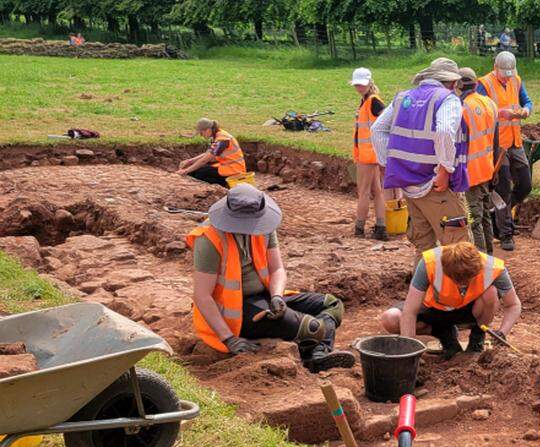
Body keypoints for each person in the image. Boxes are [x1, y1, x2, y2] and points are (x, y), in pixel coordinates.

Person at [187, 184, 356, 373]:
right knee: (312, 328)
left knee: (332, 304)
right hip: (235, 313)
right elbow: (202, 296)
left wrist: (277, 296)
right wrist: (229, 339)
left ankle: (318, 355)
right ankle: (313, 347)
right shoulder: (209, 239)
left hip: (266, 298)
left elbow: (277, 269)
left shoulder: (264, 227)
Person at [370, 57, 471, 257]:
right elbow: (443, 132)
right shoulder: (448, 99)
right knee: (457, 250)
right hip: (435, 185)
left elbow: (377, 129)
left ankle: (421, 289)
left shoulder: (402, 97)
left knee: (424, 249)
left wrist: (387, 163)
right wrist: (445, 169)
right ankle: (455, 289)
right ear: (452, 82)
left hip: (409, 185)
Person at [380, 242, 521, 360]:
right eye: (456, 279)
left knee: (490, 293)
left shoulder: (494, 268)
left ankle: (477, 339)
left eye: (466, 280)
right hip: (433, 308)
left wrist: (502, 333)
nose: (461, 285)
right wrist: (410, 354)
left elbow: (513, 304)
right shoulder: (430, 262)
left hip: (468, 311)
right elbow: (410, 311)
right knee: (390, 319)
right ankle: (445, 335)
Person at [477, 52, 533, 251]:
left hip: (515, 141)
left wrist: (526, 110)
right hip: (496, 144)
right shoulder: (484, 84)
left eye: (510, 74)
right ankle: (505, 234)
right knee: (503, 190)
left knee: (525, 185)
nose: (507, 77)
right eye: (504, 74)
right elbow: (479, 110)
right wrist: (499, 113)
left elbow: (527, 101)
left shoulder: (516, 81)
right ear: (495, 67)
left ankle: (499, 215)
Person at [457, 67, 499, 254]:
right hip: (487, 169)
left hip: (470, 173)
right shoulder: (489, 103)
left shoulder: (461, 107)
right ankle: (489, 256)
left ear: (459, 84)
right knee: (485, 218)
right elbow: (495, 140)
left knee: (474, 220)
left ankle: (480, 261)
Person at [349, 67, 390, 241]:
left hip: (368, 155)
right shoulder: (368, 100)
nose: (359, 87)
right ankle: (381, 226)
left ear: (369, 83)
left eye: (361, 84)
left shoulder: (373, 101)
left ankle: (359, 227)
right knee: (377, 190)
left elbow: (386, 122)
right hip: (372, 153)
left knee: (364, 191)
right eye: (356, 85)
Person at [177, 118, 246, 187]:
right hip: (228, 167)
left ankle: (225, 186)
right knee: (195, 171)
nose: (201, 135)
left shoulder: (222, 140)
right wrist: (189, 161)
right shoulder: (218, 135)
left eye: (201, 133)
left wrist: (186, 171)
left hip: (234, 171)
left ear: (208, 130)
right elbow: (207, 154)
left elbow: (205, 160)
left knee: (200, 173)